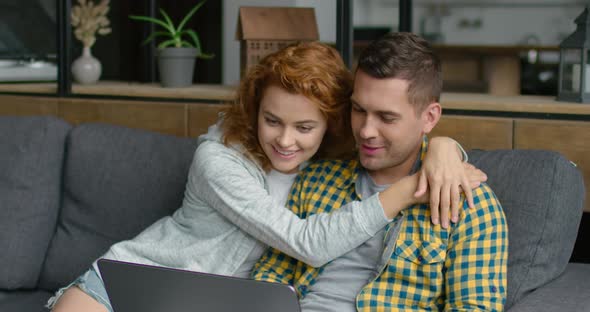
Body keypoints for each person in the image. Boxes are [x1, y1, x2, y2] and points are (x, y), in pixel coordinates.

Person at [49, 41, 484, 312]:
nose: (286, 142)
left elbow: (394, 140)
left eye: (304, 127)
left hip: (199, 302)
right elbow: (308, 243)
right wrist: (411, 189)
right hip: (129, 280)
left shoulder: (332, 157)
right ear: (255, 109)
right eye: (272, 120)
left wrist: (444, 149)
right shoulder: (218, 162)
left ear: (329, 124)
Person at [252, 33, 508, 311]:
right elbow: (270, 275)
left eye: (386, 118)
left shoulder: (470, 204)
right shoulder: (317, 178)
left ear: (430, 117)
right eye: (359, 110)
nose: (365, 131)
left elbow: (474, 308)